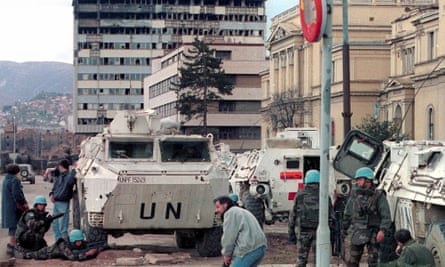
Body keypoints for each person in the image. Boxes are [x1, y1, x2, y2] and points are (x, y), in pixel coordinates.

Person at [343, 167, 392, 267]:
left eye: (360, 179)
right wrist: (344, 229)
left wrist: (382, 231)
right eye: (357, 179)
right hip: (357, 232)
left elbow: (386, 216)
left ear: (368, 180)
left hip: (373, 233)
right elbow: (347, 213)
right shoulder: (354, 195)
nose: (358, 182)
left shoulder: (378, 196)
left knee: (373, 262)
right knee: (352, 262)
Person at [288, 170, 334, 267]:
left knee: (301, 259)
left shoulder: (300, 195)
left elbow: (293, 215)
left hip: (303, 231)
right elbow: (331, 216)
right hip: (320, 232)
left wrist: (291, 233)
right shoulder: (324, 195)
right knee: (319, 260)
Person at [214, 195, 267, 267]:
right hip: (260, 247)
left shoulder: (230, 213)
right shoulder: (241, 211)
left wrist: (227, 254)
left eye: (218, 207)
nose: (216, 210)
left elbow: (229, 237)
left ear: (225, 205)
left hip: (249, 249)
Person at [1, 163, 29, 257]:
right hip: (14, 208)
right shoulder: (15, 180)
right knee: (16, 227)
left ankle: (10, 248)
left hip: (8, 208)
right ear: (16, 172)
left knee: (12, 227)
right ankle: (13, 247)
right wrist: (24, 203)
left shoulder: (5, 180)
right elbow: (17, 194)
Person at [23, 229, 101, 261]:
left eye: (80, 241)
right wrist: (87, 254)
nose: (80, 243)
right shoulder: (63, 244)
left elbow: (86, 244)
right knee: (32, 255)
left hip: (54, 253)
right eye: (78, 241)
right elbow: (72, 257)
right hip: (46, 253)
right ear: (73, 240)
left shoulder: (75, 242)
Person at [49, 159, 76, 241]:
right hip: (56, 202)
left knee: (62, 225)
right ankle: (58, 242)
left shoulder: (68, 176)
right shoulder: (59, 176)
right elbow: (54, 187)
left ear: (61, 166)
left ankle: (64, 243)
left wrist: (73, 171)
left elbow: (71, 182)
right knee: (55, 225)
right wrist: (51, 194)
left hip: (63, 202)